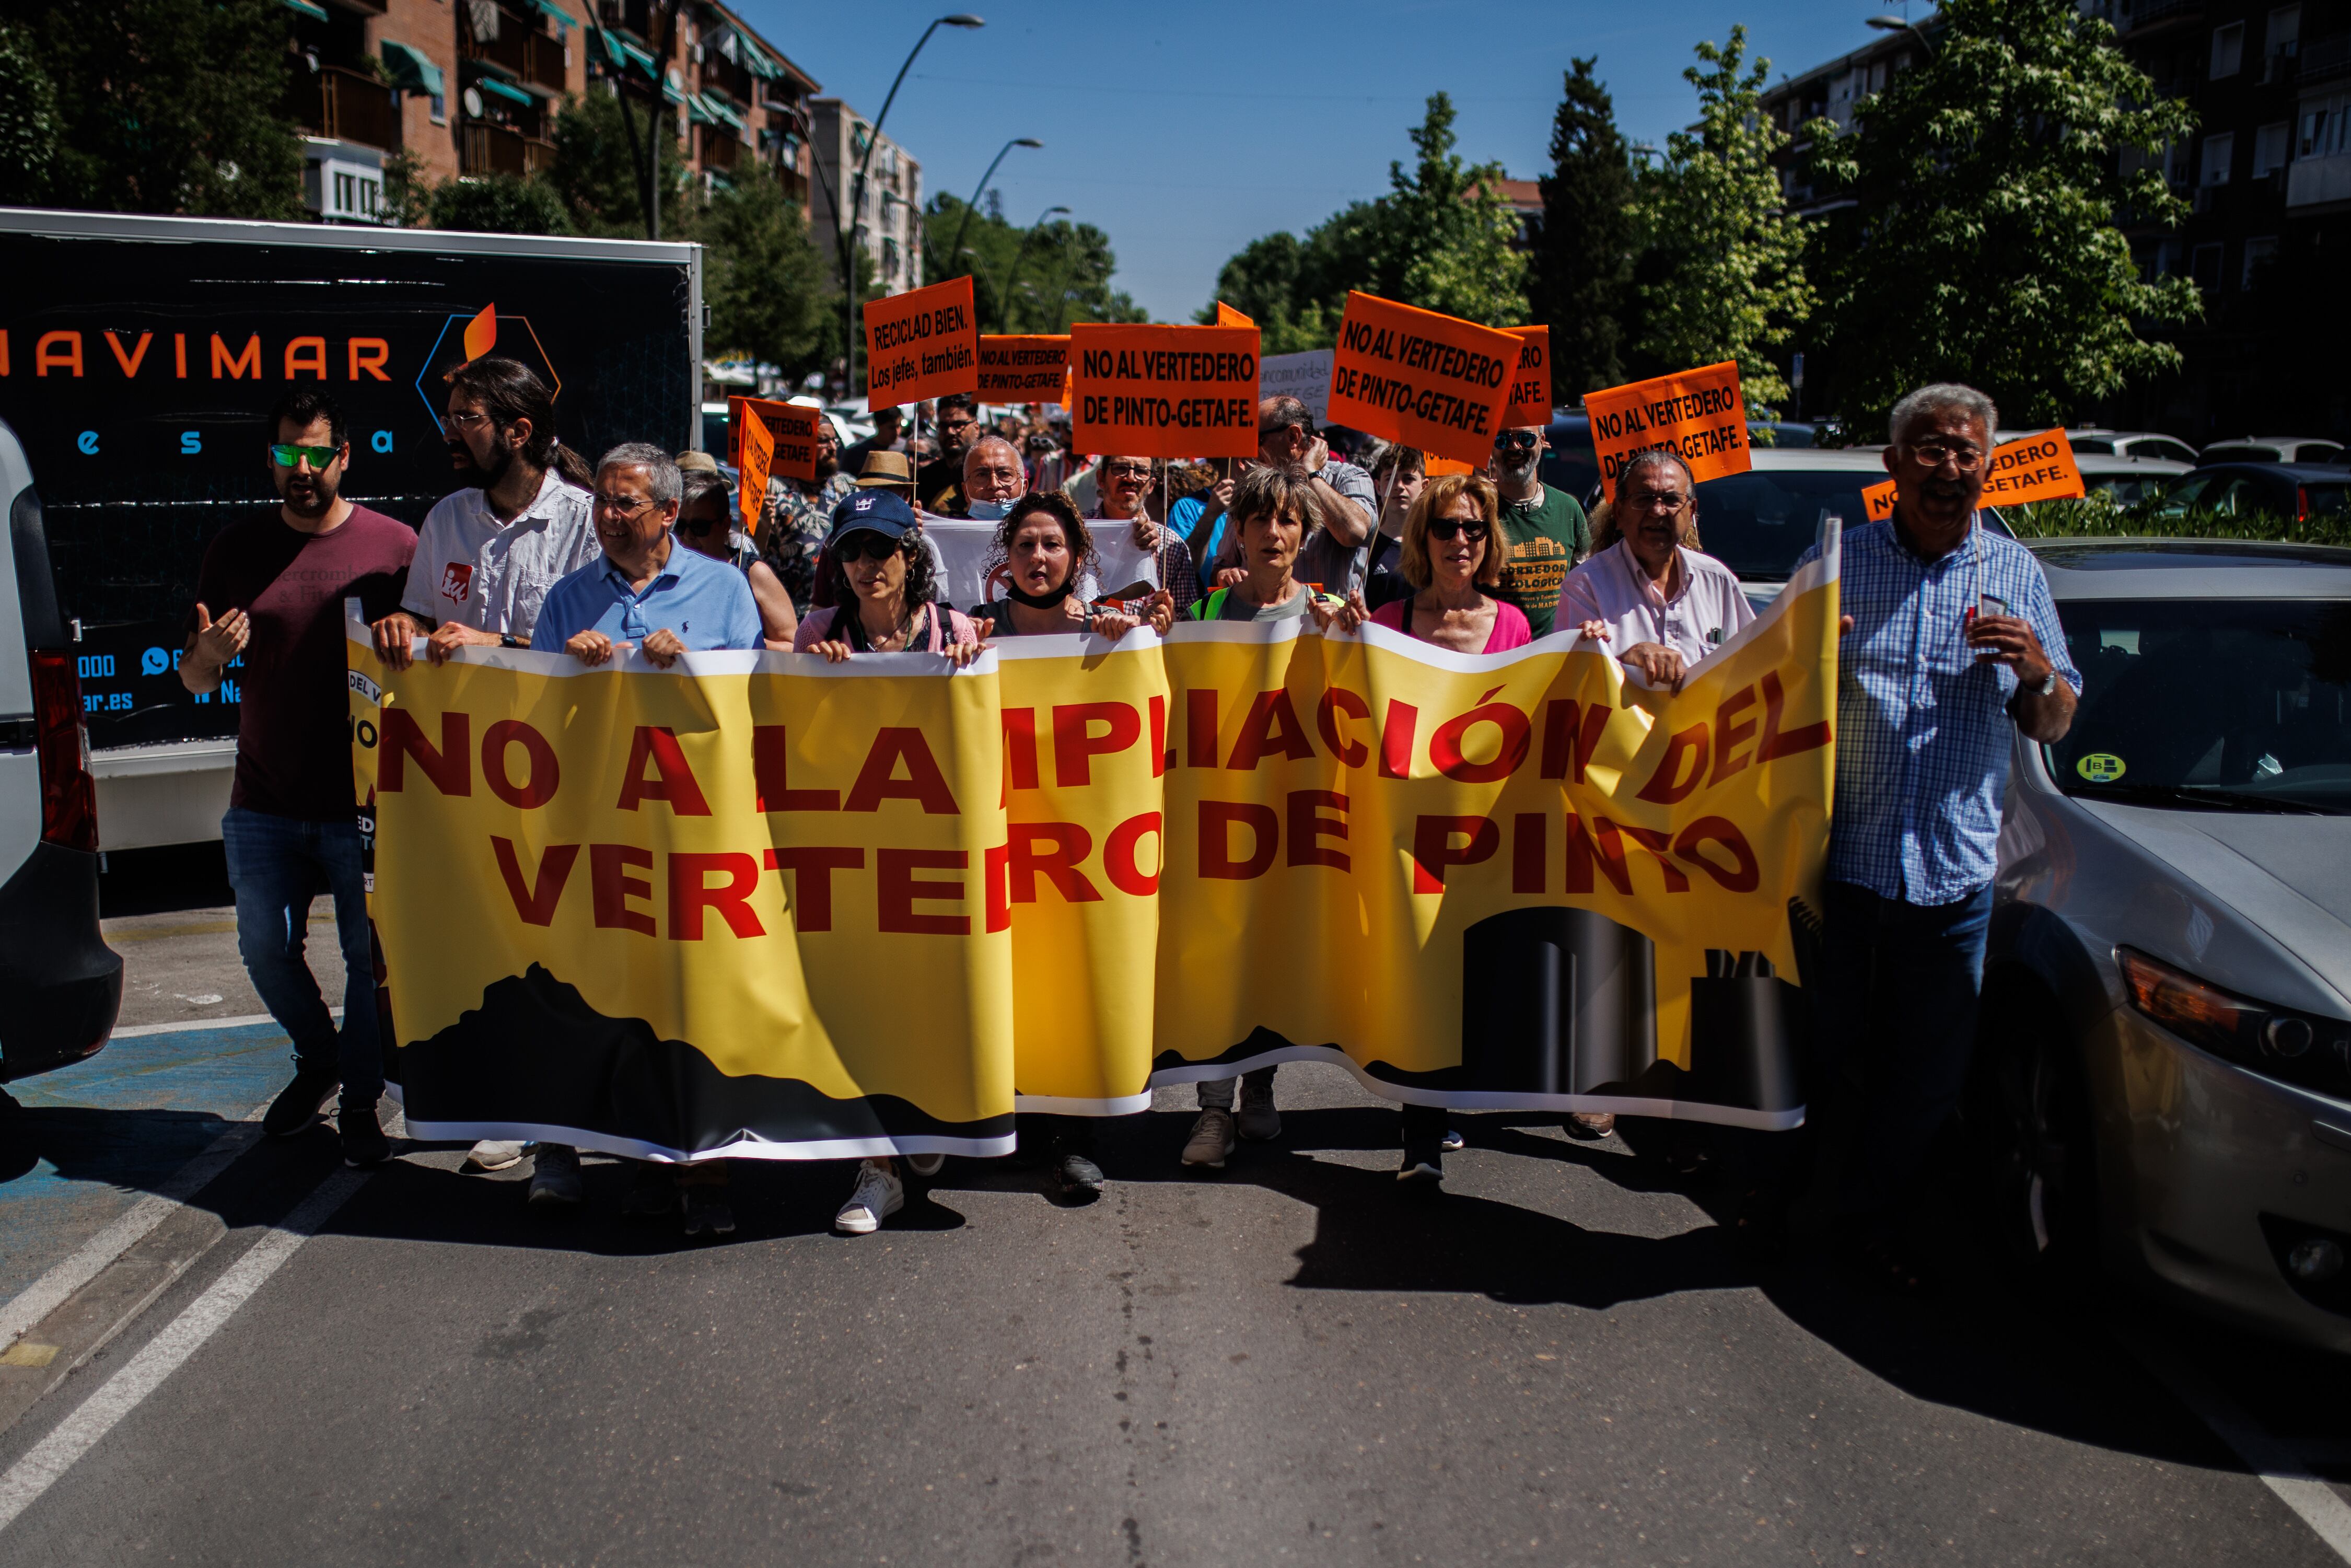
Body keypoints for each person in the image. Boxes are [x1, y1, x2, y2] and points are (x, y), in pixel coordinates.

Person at [1791, 382, 2080, 1291]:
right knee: (1825, 1054)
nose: (1949, 469)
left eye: (1966, 454)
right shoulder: (1840, 564)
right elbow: (1769, 691)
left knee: (1927, 1079)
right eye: (1931, 450)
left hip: (1951, 883)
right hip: (1843, 870)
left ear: (1989, 467)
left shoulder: (2018, 576)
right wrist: (1804, 656)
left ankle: (1872, 1226)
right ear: (1893, 466)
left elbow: (2056, 720)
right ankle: (1801, 1211)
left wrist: (2037, 670)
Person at [368, 356, 600, 1176]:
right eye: (452, 415)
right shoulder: (447, 519)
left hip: (562, 770)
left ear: (519, 431)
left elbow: (595, 644)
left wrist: (493, 644)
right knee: (492, 937)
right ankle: (512, 1099)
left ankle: (560, 1117)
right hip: (470, 775)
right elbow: (427, 616)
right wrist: (400, 625)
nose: (451, 432)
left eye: (468, 417)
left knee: (562, 944)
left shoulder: (583, 519)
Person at [527, 443, 765, 1237]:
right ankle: (647, 1166)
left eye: (626, 503)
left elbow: (756, 701)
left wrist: (694, 660)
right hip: (606, 834)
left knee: (696, 1003)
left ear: (669, 514)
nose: (608, 515)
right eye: (602, 500)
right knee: (620, 1000)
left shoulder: (724, 587)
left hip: (697, 834)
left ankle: (709, 1174)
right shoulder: (567, 600)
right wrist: (569, 669)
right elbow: (528, 722)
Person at [182, 388, 415, 1167]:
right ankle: (320, 1060)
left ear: (344, 456)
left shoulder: (394, 548)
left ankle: (358, 1103)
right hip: (265, 799)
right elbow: (193, 679)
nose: (302, 468)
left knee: (366, 962)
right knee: (264, 949)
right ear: (272, 456)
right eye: (288, 452)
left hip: (364, 803)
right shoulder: (236, 548)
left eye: (317, 453)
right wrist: (210, 659)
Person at [793, 489, 985, 1233]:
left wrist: (977, 663)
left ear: (911, 556)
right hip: (848, 853)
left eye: (880, 550)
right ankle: (877, 1169)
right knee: (862, 1005)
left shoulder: (958, 628)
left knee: (928, 999)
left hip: (936, 852)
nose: (866, 565)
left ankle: (925, 1125)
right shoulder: (817, 630)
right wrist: (815, 675)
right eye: (851, 551)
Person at [1178, 468, 1362, 1170]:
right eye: (1260, 520)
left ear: (1304, 535)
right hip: (1220, 822)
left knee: (1275, 957)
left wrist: (1349, 641)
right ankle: (1212, 1112)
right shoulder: (1206, 615)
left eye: (1288, 521)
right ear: (1240, 531)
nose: (1274, 534)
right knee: (1221, 958)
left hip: (1292, 824)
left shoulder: (1330, 610)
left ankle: (1261, 1088)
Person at [1562, 448, 1754, 691]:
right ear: (1619, 513)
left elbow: (1754, 669)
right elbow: (1571, 688)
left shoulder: (1718, 581)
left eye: (1672, 499)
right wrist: (1627, 661)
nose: (1658, 511)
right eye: (1643, 499)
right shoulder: (1584, 586)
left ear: (1691, 512)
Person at [1201, 398, 1378, 598]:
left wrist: (1310, 474)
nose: (1251, 451)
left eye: (1257, 440)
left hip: (1328, 624)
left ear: (1293, 437)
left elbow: (1354, 533)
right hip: (1262, 625)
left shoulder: (1348, 478)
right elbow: (1221, 566)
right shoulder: (1250, 488)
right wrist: (1225, 574)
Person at [1485, 422, 1591, 638]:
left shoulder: (1568, 509)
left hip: (1553, 655)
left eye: (1526, 438)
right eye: (1502, 440)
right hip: (1494, 657)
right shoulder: (1477, 510)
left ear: (1543, 442)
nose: (1515, 448)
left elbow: (1588, 587)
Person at [674, 468, 797, 647]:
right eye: (679, 525)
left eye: (700, 527)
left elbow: (793, 646)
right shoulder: (663, 572)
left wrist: (740, 642)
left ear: (725, 525)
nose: (687, 536)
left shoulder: (753, 573)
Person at [758, 412, 857, 614]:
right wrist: (763, 523)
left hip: (843, 610)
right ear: (802, 446)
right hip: (792, 613)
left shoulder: (847, 486)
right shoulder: (773, 489)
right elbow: (755, 552)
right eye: (823, 441)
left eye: (834, 440)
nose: (833, 447)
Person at [1091, 454, 1202, 613]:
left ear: (1151, 485)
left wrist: (1166, 618)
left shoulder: (1171, 546)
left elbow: (1185, 623)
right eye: (1120, 469)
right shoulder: (1073, 534)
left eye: (1141, 471)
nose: (1130, 478)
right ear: (1101, 479)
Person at [1363, 444, 1428, 610]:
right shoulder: (1364, 546)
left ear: (1425, 486)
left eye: (1408, 479)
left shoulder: (1437, 542)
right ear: (1378, 487)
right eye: (1390, 478)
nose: (1399, 486)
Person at [917, 393, 982, 514]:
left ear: (976, 428)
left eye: (958, 425)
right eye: (944, 426)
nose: (950, 432)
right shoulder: (923, 479)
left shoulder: (988, 477)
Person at [958, 433, 1029, 520]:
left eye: (1005, 474)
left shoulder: (1042, 533)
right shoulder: (949, 534)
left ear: (1024, 488)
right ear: (965, 491)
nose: (994, 485)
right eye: (982, 475)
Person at [840, 405, 904, 478]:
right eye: (891, 428)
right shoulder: (856, 453)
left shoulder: (906, 449)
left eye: (899, 426)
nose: (897, 432)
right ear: (878, 425)